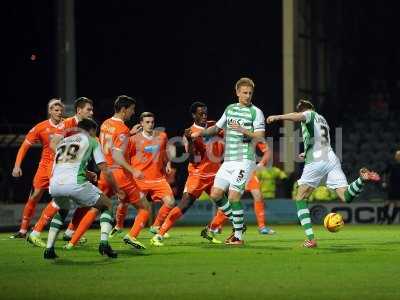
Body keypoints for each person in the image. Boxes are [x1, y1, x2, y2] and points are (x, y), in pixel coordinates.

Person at [266, 99, 380, 248]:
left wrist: (278, 117)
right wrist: (305, 153)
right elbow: (319, 141)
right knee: (345, 196)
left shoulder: (309, 114)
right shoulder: (323, 120)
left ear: (304, 110)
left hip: (317, 160)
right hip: (331, 158)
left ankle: (311, 239)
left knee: (300, 197)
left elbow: (299, 117)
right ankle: (361, 180)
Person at [64, 95, 150, 250]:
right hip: (119, 175)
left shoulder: (105, 124)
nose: (133, 112)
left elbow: (111, 146)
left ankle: (72, 242)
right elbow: (117, 155)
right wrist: (133, 170)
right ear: (124, 109)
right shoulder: (122, 128)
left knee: (96, 208)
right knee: (145, 207)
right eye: (131, 109)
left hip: (105, 173)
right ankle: (131, 236)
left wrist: (129, 135)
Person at [191, 78, 266, 245]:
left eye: (250, 93)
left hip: (245, 160)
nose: (247, 96)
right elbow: (216, 128)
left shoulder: (256, 112)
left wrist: (244, 130)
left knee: (233, 198)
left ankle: (238, 236)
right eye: (244, 93)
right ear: (237, 92)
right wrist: (200, 133)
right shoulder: (230, 109)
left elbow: (260, 136)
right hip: (229, 161)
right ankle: (238, 224)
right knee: (216, 194)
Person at [44, 118, 124, 259]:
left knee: (62, 210)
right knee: (107, 205)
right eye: (95, 131)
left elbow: (65, 164)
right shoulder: (92, 141)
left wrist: (86, 173)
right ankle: (104, 244)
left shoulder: (64, 141)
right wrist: (117, 189)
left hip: (55, 184)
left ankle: (49, 249)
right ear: (92, 130)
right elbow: (105, 169)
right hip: (75, 183)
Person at [149, 102, 225, 246]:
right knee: (184, 205)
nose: (204, 116)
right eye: (200, 114)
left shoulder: (213, 125)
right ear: (193, 115)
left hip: (215, 175)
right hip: (198, 176)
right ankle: (159, 235)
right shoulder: (189, 133)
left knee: (226, 205)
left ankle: (210, 230)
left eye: (205, 113)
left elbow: (225, 135)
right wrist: (190, 142)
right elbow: (193, 159)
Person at [27, 97, 95, 247]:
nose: (92, 112)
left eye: (91, 109)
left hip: (76, 170)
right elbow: (53, 144)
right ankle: (35, 232)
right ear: (79, 110)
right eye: (89, 109)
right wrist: (67, 161)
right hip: (62, 169)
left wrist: (85, 170)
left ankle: (70, 232)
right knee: (63, 200)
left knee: (84, 202)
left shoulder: (87, 127)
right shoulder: (67, 124)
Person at [10, 98, 65, 239]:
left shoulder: (68, 124)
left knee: (63, 198)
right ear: (50, 111)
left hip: (61, 167)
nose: (59, 112)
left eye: (61, 110)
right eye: (56, 110)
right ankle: (23, 230)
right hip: (44, 167)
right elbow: (24, 146)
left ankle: (69, 231)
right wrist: (17, 165)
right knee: (34, 196)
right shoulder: (40, 127)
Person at [206, 142, 276, 236]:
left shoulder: (253, 133)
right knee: (231, 199)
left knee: (258, 196)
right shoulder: (231, 133)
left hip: (247, 169)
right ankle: (215, 226)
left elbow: (267, 151)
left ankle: (262, 227)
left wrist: (261, 163)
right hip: (234, 169)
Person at [126, 112, 175, 240]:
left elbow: (165, 152)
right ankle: (124, 230)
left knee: (170, 202)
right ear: (141, 123)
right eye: (147, 122)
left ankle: (156, 226)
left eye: (152, 122)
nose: (150, 124)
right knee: (138, 208)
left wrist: (168, 163)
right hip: (140, 179)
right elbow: (125, 157)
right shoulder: (133, 139)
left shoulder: (162, 136)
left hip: (158, 178)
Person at [381, 150, 400, 224]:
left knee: (398, 204)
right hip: (392, 186)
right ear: (395, 156)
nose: (399, 157)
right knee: (387, 203)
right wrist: (384, 182)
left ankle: (391, 220)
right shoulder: (392, 164)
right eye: (398, 155)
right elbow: (384, 173)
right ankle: (387, 218)